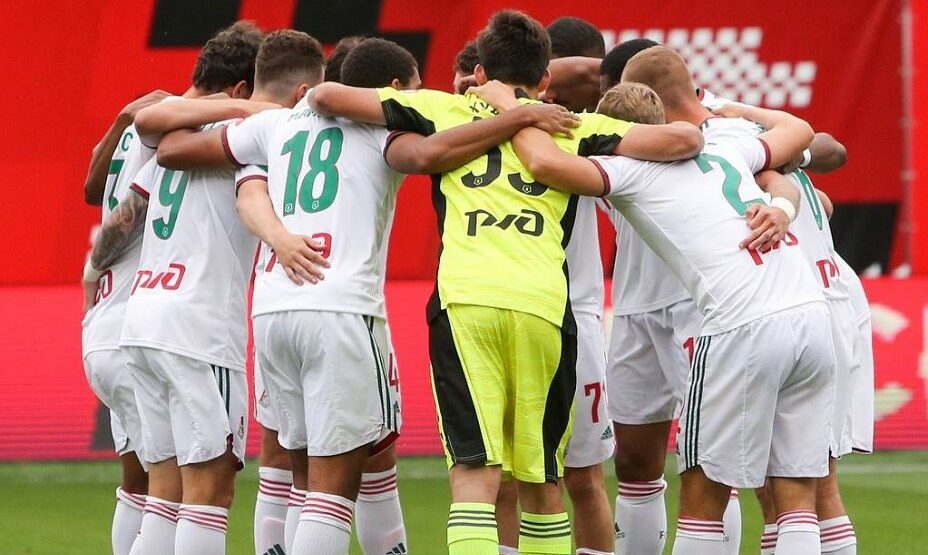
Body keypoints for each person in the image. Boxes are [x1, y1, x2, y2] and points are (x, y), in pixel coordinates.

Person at [145, 33, 581, 554]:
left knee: (300, 473)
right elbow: (432, 154)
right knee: (336, 487)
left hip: (273, 311)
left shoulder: (276, 124)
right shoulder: (382, 133)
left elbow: (170, 149)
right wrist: (517, 116)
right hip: (340, 308)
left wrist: (237, 110)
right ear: (392, 90)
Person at [307, 10, 704, 555]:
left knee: (475, 478)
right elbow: (685, 139)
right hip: (544, 308)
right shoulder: (572, 126)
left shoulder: (442, 109)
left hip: (466, 303)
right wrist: (528, 112)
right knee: (543, 482)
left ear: (479, 73)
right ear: (545, 77)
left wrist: (500, 106)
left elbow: (325, 96)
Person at [473, 60, 839, 555]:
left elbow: (542, 164)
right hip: (810, 314)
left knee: (703, 494)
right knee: (796, 495)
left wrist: (511, 108)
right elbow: (797, 130)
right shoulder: (726, 145)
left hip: (741, 324)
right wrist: (744, 123)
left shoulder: (628, 171)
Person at [85, 21, 265, 555]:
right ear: (239, 89)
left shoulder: (148, 122)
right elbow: (127, 214)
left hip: (116, 321)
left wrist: (94, 270)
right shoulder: (194, 130)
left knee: (146, 487)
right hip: (166, 313)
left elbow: (94, 191)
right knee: (198, 491)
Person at [81, 87, 166, 555]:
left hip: (106, 323)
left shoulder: (127, 135)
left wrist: (120, 120)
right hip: (139, 326)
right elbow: (119, 220)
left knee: (137, 482)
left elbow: (91, 190)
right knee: (178, 483)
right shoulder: (169, 129)